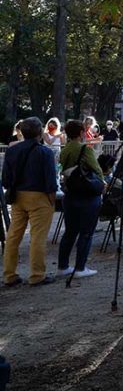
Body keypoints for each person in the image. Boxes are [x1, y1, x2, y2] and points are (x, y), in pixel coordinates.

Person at [2, 118, 58, 286]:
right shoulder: (46, 153)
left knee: (13, 237)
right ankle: (37, 275)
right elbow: (50, 181)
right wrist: (52, 201)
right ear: (40, 133)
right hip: (39, 196)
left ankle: (9, 275)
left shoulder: (12, 151)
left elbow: (5, 179)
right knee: (37, 237)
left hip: (18, 197)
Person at [56, 120, 105, 278]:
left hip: (70, 194)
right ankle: (80, 267)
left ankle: (63, 266)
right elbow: (97, 170)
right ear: (81, 132)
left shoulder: (64, 150)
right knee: (86, 232)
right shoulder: (85, 149)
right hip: (86, 194)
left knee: (70, 232)